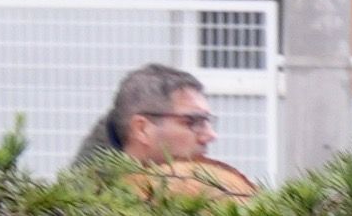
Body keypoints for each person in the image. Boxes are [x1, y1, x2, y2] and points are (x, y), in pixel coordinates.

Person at [72, 59, 259, 198]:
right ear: (142, 129)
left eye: (208, 121)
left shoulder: (205, 187)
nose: (210, 135)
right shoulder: (86, 205)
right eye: (193, 121)